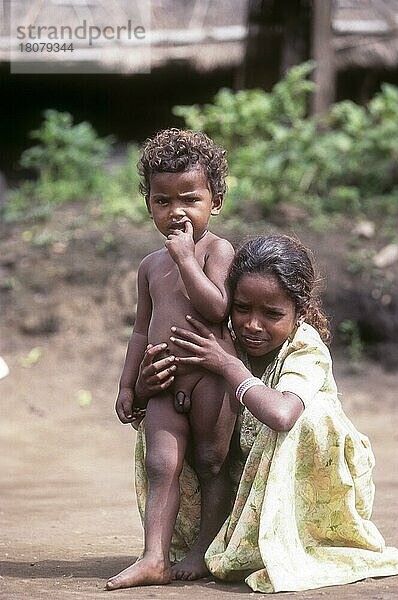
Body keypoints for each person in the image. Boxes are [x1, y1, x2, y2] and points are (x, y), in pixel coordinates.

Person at [157, 234, 398, 593]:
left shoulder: (305, 349)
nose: (253, 325)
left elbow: (283, 415)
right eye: (242, 308)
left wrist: (230, 368)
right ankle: (205, 540)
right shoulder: (222, 340)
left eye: (272, 314)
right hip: (245, 481)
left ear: (300, 312)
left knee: (308, 416)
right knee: (169, 413)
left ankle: (284, 541)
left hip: (314, 491)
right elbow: (179, 395)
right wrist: (152, 384)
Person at [106, 129, 237, 590]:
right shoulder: (148, 266)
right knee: (162, 466)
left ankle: (204, 549)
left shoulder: (218, 251)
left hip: (209, 379)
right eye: (162, 201)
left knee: (211, 462)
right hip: (162, 380)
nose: (176, 211)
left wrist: (186, 258)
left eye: (189, 198)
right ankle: (154, 557)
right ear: (149, 205)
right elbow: (141, 329)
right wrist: (127, 384)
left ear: (214, 200)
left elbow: (218, 308)